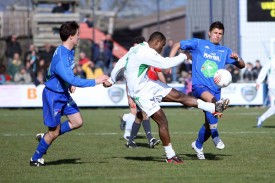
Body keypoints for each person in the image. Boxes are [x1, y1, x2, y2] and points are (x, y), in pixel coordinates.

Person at [103, 31, 229, 164]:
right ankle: (170, 156)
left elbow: (122, 61)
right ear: (156, 42)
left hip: (148, 84)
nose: (162, 49)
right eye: (162, 46)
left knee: (179, 96)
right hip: (140, 93)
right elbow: (165, 64)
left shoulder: (137, 47)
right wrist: (183, 56)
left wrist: (112, 79)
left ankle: (213, 107)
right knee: (162, 121)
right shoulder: (146, 52)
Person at [29, 21, 109, 167]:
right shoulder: (62, 56)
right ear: (71, 37)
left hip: (63, 93)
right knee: (53, 132)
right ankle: (35, 158)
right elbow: (69, 76)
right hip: (53, 96)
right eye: (78, 35)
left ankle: (46, 137)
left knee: (77, 122)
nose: (79, 37)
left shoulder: (69, 51)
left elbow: (66, 75)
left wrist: (69, 83)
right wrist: (95, 81)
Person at [169, 21, 245, 160]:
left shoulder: (225, 51)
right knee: (215, 105)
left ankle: (198, 145)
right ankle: (216, 136)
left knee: (209, 124)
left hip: (216, 90)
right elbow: (177, 45)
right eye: (215, 33)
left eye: (220, 34)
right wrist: (169, 63)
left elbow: (242, 65)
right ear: (209, 33)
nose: (217, 36)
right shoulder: (199, 44)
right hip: (199, 87)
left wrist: (237, 58)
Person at [120, 36, 163, 149]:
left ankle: (130, 141)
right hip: (138, 92)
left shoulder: (146, 57)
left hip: (147, 89)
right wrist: (129, 96)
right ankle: (150, 139)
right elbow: (128, 80)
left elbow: (158, 71)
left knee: (139, 116)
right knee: (145, 113)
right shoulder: (131, 60)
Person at [256, 55, 275, 128]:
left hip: (271, 86)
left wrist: (258, 81)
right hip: (273, 86)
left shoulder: (270, 59)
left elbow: (264, 70)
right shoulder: (271, 59)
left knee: (273, 107)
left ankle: (261, 118)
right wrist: (259, 81)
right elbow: (264, 70)